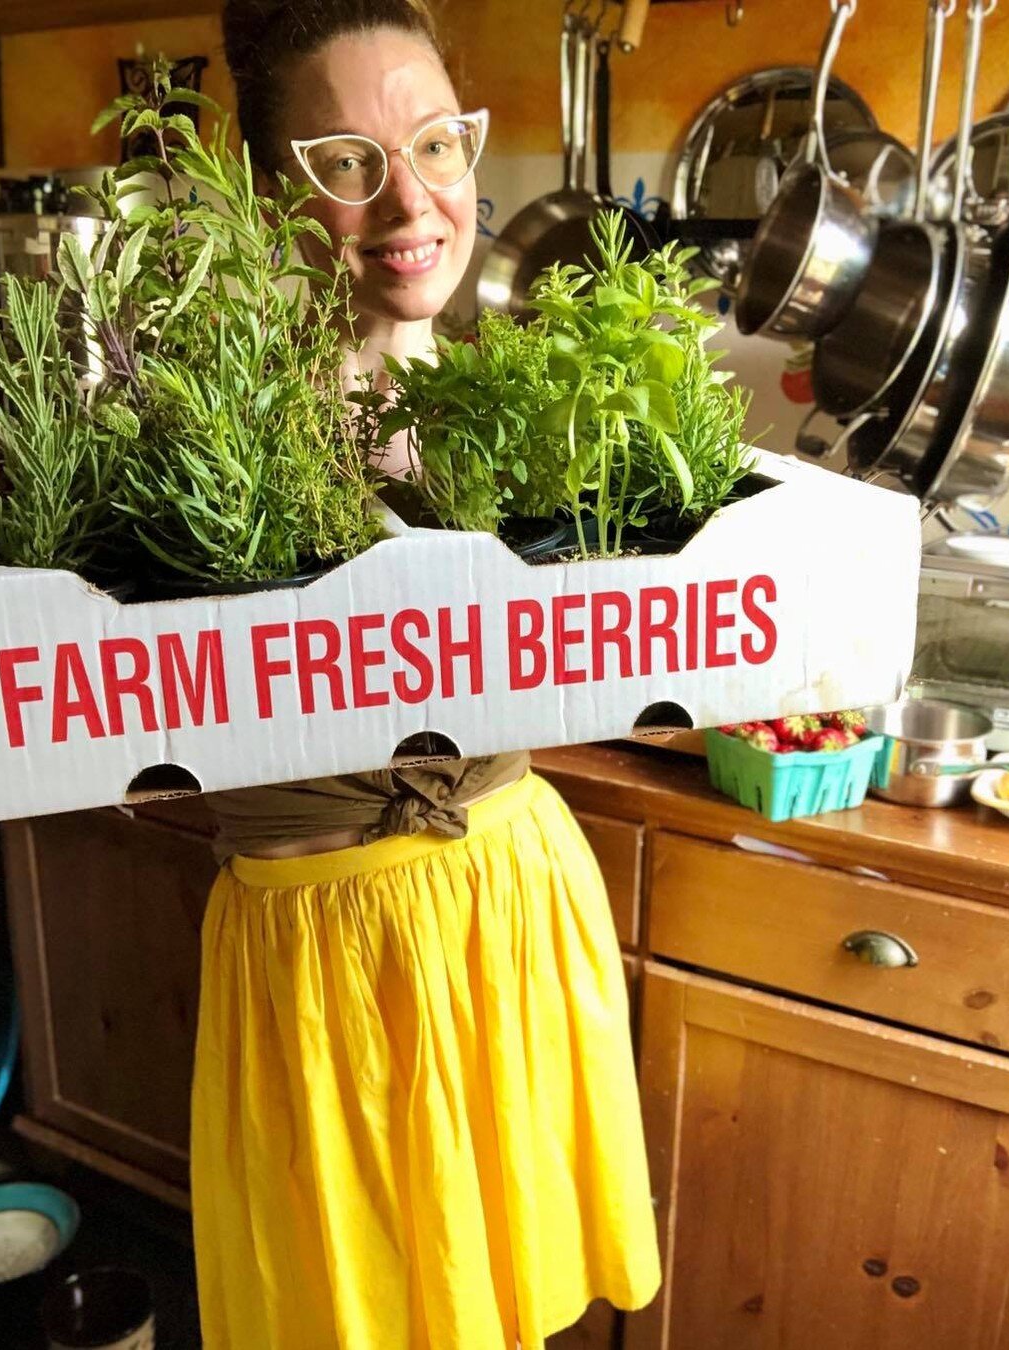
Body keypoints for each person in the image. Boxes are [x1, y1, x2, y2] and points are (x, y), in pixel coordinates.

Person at [192, 3, 661, 1346]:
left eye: (438, 144)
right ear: (265, 190)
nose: (410, 199)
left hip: (509, 904)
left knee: (505, 1303)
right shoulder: (205, 430)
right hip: (321, 957)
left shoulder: (520, 399)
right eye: (345, 161)